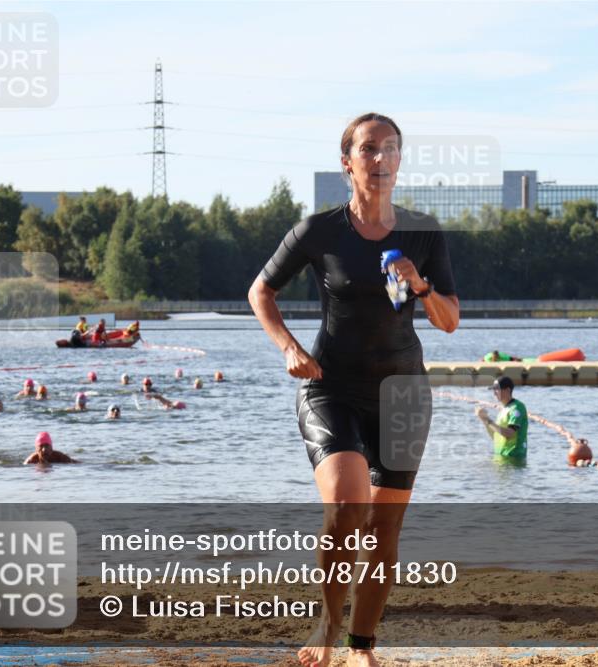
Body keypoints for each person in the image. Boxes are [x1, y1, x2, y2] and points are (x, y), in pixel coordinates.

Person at [248, 113, 459, 667]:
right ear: (347, 162)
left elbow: (449, 320)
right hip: (331, 385)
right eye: (368, 148)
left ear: (400, 160)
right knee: (347, 506)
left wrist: (421, 285)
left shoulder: (423, 233)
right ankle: (328, 619)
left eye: (390, 148)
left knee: (384, 530)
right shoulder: (319, 231)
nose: (380, 158)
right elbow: (260, 292)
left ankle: (361, 646)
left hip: (403, 394)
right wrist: (288, 348)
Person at [475, 376, 529, 461]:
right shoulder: (503, 410)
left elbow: (509, 433)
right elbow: (495, 436)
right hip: (501, 457)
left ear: (507, 390)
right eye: (493, 390)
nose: (494, 393)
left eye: (497, 389)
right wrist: (484, 419)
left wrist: (489, 420)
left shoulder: (517, 407)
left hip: (514, 458)